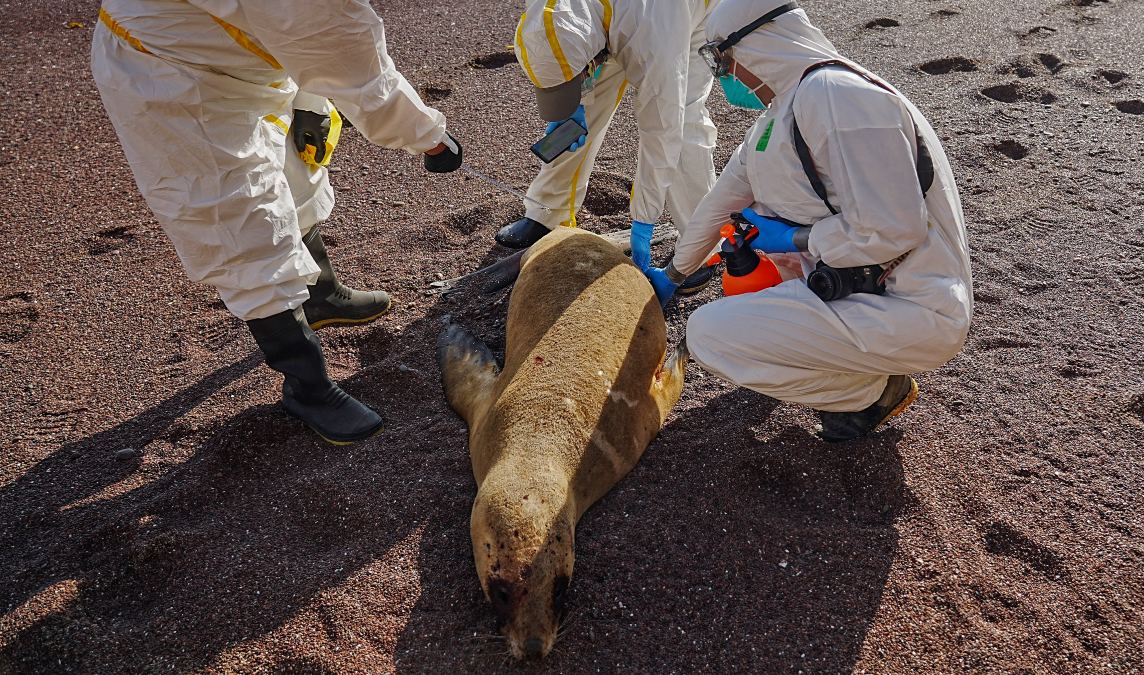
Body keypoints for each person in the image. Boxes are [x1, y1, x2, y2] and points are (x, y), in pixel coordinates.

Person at [92, 0, 463, 445]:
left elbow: (306, 34)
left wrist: (309, 97)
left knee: (295, 172)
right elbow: (352, 63)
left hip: (237, 54)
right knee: (244, 223)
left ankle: (322, 297)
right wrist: (431, 139)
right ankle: (307, 386)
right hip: (172, 77)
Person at [645, 0, 973, 442]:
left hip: (913, 305)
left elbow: (894, 229)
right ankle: (839, 363)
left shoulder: (840, 97)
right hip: (857, 283)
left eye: (722, 59)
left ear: (761, 42)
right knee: (755, 277)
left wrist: (797, 238)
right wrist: (674, 273)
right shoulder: (782, 113)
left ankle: (872, 391)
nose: (724, 75)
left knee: (709, 335)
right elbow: (720, 203)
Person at [501, 0, 721, 294]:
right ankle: (547, 212)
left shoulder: (653, 34)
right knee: (579, 113)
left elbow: (662, 132)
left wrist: (643, 218)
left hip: (683, 18)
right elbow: (559, 39)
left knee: (683, 126)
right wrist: (570, 103)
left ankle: (700, 247)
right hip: (610, 22)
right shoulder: (554, 11)